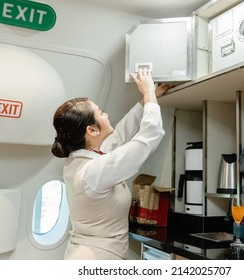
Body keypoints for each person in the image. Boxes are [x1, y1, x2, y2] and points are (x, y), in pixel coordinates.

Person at [51, 68, 171, 260]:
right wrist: (148, 93)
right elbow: (148, 138)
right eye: (101, 113)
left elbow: (120, 135)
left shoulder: (83, 158)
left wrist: (146, 100)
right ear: (91, 130)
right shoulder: (92, 171)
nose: (106, 114)